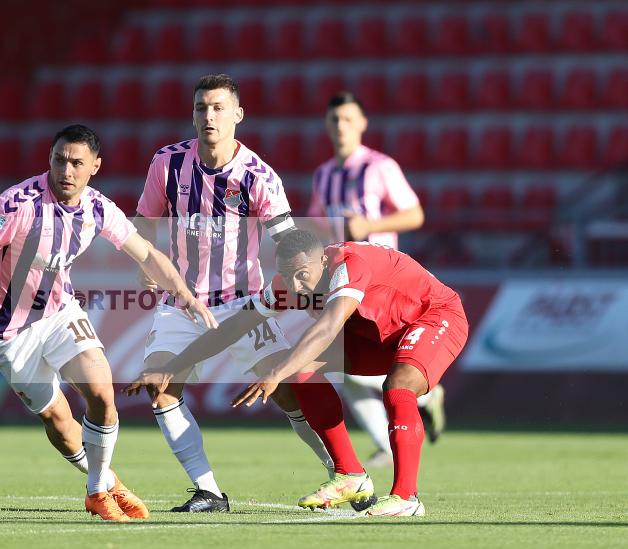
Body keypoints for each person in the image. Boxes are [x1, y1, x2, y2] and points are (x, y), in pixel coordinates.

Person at [0, 124, 217, 521]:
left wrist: (185, 293)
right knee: (58, 420)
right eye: (59, 160)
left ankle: (95, 492)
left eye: (76, 163)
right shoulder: (16, 204)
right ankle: (110, 483)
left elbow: (147, 254)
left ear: (95, 167)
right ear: (49, 161)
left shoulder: (98, 208)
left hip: (59, 314)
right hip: (7, 332)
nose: (66, 171)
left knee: (102, 394)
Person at [125, 229, 469, 517]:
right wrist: (170, 367)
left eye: (302, 274)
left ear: (322, 261)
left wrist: (275, 370)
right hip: (374, 334)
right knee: (302, 369)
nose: (296, 285)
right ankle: (351, 475)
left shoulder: (348, 267)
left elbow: (328, 329)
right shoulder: (287, 283)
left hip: (434, 316)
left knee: (398, 386)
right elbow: (232, 328)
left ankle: (407, 497)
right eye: (288, 275)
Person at [132, 74, 336, 512]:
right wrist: (146, 262)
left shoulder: (258, 176)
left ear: (238, 115)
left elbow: (289, 243)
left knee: (284, 391)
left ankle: (341, 473)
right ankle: (209, 491)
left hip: (242, 303)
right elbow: (144, 221)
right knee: (161, 387)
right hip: (181, 303)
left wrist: (309, 289)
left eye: (219, 108)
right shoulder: (166, 164)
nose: (209, 116)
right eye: (202, 108)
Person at [306, 91, 445, 468]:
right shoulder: (323, 175)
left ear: (362, 124)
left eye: (348, 119)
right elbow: (315, 221)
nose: (340, 127)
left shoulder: (380, 167)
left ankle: (425, 397)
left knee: (366, 360)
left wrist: (372, 225)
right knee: (346, 363)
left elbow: (414, 214)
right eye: (334, 120)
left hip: (381, 281)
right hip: (341, 277)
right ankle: (391, 439)